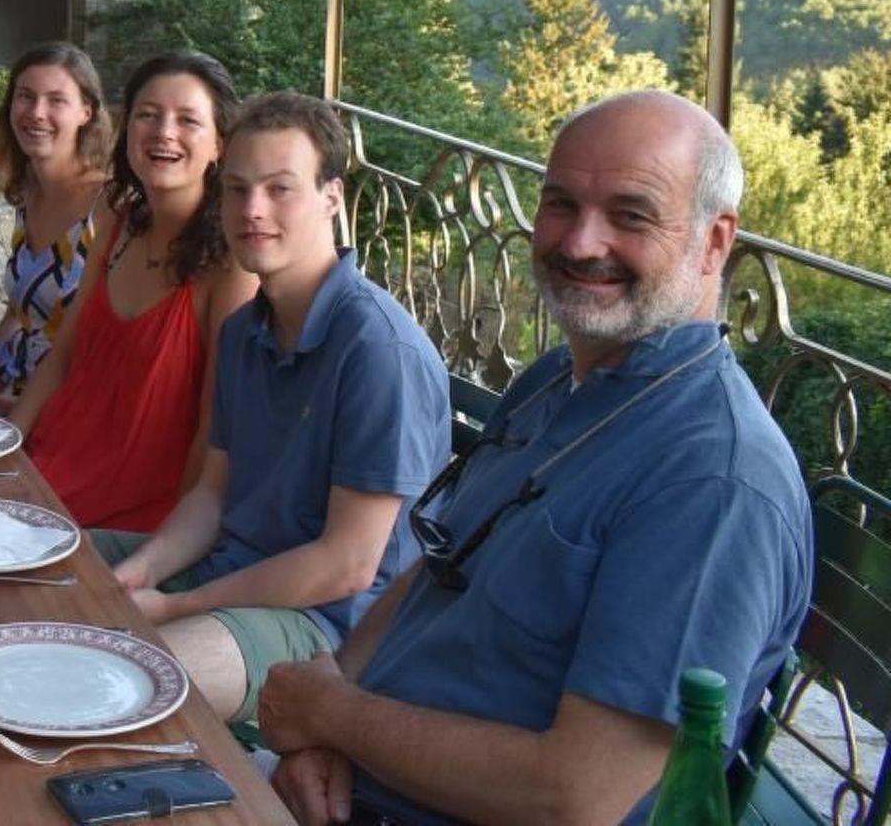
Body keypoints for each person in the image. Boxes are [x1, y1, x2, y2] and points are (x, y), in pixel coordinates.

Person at [258, 90, 813, 826]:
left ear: (714, 242)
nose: (580, 244)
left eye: (631, 215)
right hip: (346, 783)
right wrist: (322, 723)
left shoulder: (710, 482)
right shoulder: (560, 378)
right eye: (560, 204)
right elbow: (440, 563)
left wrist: (334, 717)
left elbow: (577, 797)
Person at [101, 92, 450, 725]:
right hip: (227, 570)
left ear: (331, 197)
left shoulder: (377, 350)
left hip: (325, 627)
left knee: (125, 682)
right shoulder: (245, 331)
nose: (253, 210)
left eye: (279, 189)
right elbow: (212, 495)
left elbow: (347, 565)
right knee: (40, 565)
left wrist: (177, 607)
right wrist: (141, 571)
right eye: (236, 190)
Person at [14, 52, 257, 532]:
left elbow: (215, 428)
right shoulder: (115, 218)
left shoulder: (231, 266)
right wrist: (3, 446)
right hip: (48, 467)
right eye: (147, 114)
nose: (164, 132)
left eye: (187, 120)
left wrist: (164, 548)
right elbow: (63, 356)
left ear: (219, 145)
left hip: (132, 515)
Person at [0, 43, 111, 412]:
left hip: (75, 406)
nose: (36, 112)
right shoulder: (28, 192)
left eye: (56, 100)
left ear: (86, 111)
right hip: (11, 389)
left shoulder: (108, 206)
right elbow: (17, 312)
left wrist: (26, 409)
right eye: (25, 96)